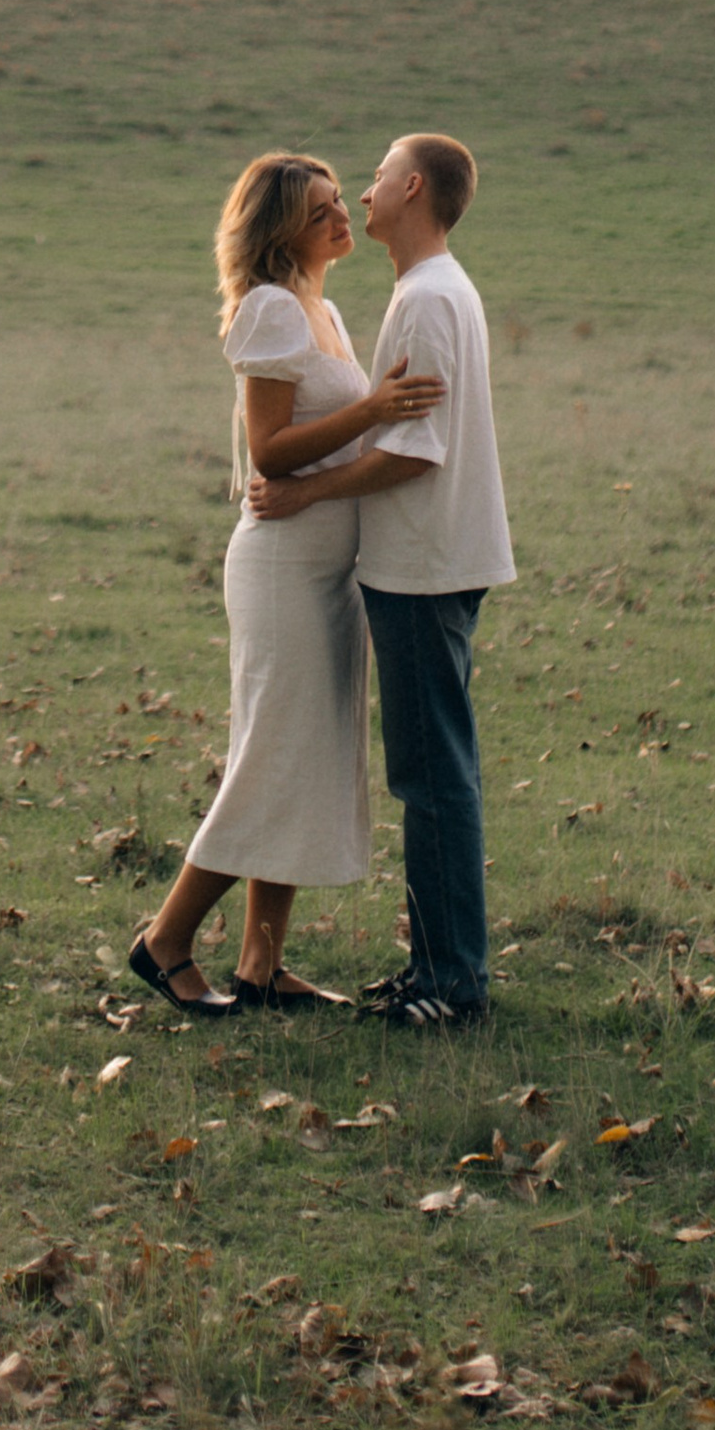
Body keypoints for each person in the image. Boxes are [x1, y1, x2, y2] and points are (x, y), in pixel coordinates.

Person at [129, 152, 442, 1015]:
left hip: (327, 568)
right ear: (281, 232)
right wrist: (374, 410)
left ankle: (261, 968)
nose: (343, 216)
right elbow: (270, 450)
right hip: (282, 566)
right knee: (272, 755)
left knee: (301, 757)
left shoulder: (325, 306)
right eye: (319, 211)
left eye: (341, 200)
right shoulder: (270, 310)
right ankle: (164, 942)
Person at [250, 131, 510, 1027]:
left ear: (409, 188)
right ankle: (438, 968)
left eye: (371, 179)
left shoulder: (428, 300)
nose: (361, 196)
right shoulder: (426, 291)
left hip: (422, 564)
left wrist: (307, 489)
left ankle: (451, 987)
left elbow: (411, 454)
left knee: (434, 777)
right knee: (433, 771)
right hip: (426, 560)